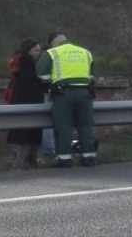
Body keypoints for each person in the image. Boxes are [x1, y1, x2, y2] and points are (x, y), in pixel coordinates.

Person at [36, 32, 97, 168]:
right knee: (86, 125)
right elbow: (92, 76)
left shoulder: (52, 53)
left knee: (63, 126)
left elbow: (41, 75)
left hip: (63, 93)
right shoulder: (85, 52)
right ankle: (89, 157)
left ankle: (65, 159)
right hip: (85, 93)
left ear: (53, 43)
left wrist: (50, 85)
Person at [4, 39, 46, 169]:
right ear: (29, 50)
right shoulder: (27, 61)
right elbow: (29, 81)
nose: (38, 53)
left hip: (18, 101)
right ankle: (26, 161)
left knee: (18, 130)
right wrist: (42, 82)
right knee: (28, 131)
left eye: (39, 50)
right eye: (36, 50)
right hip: (29, 101)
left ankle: (16, 160)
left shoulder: (18, 60)